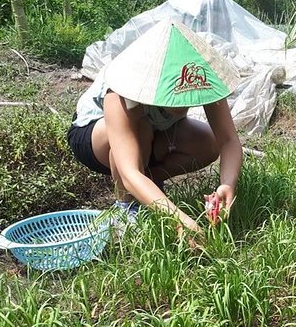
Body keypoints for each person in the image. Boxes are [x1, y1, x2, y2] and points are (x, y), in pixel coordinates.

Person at [67, 19, 243, 236]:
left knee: (208, 142)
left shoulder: (199, 76)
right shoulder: (122, 90)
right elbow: (129, 171)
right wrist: (179, 220)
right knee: (140, 132)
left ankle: (150, 185)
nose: (184, 104)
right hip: (96, 135)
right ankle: (126, 209)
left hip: (156, 132)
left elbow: (228, 140)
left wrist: (227, 184)